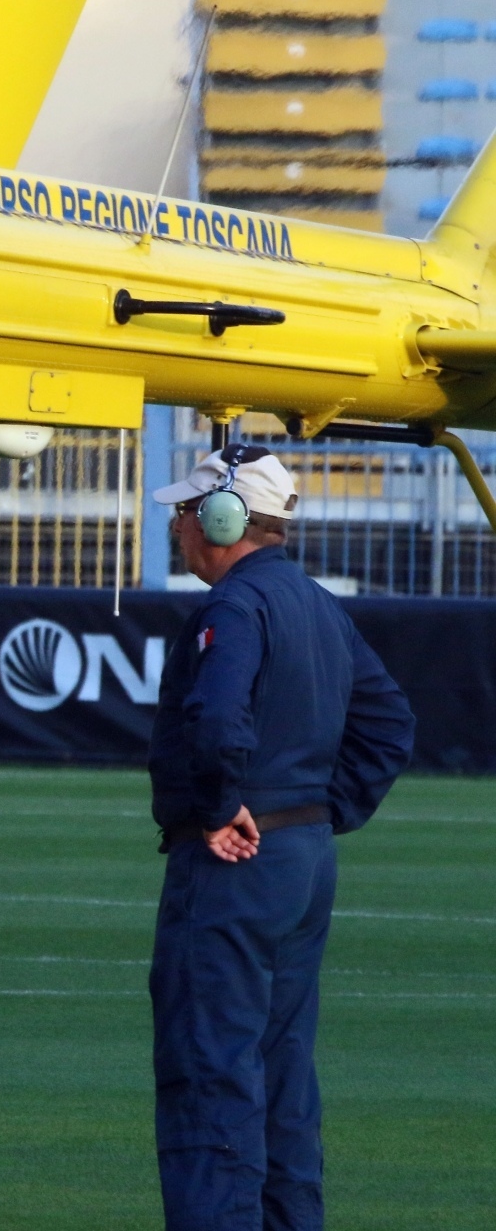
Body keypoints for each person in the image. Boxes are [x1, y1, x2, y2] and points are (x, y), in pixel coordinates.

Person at [147, 443, 414, 1231]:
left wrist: (226, 802)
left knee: (210, 1069)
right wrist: (319, 812)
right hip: (302, 860)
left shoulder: (233, 607)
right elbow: (390, 724)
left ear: (224, 518)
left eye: (187, 511)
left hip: (236, 863)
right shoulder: (317, 603)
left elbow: (220, 716)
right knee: (282, 1072)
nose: (179, 525)